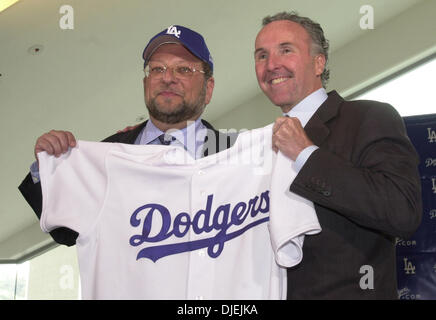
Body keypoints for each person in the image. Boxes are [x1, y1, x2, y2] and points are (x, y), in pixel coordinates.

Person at [253, 11, 422, 299]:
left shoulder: (369, 117)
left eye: (285, 50)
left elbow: (402, 210)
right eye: (261, 55)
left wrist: (306, 153)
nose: (271, 65)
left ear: (318, 63)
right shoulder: (253, 149)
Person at [19, 25, 234, 247]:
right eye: (157, 69)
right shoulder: (104, 155)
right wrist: (47, 166)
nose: (167, 78)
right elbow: (66, 232)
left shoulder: (238, 156)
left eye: (184, 70)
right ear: (145, 83)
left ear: (208, 88)